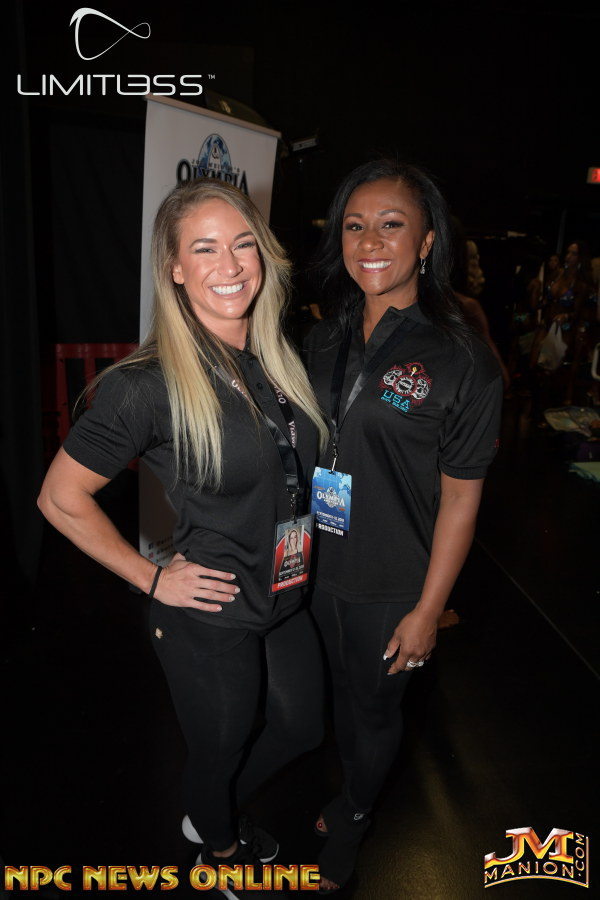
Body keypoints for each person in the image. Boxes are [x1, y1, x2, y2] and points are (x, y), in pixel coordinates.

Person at [37, 178, 329, 897]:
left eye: (243, 244)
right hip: (209, 608)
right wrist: (152, 578)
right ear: (173, 267)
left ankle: (211, 809)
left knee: (302, 727)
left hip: (284, 589)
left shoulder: (276, 358)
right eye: (205, 248)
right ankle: (220, 850)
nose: (230, 265)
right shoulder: (146, 384)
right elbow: (59, 497)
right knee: (218, 751)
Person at [303, 159, 503, 893]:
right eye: (355, 225)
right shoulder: (324, 338)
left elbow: (461, 499)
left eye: (391, 225)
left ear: (426, 242)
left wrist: (427, 609)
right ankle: (349, 787)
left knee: (376, 708)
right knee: (336, 697)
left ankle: (356, 813)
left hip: (393, 583)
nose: (369, 241)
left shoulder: (462, 359)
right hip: (314, 569)